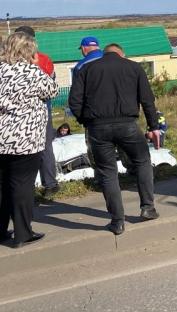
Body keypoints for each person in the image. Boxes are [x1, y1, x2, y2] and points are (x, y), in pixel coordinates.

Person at [68, 42, 160, 235]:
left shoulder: (87, 69)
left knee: (107, 172)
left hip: (97, 127)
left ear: (105, 53)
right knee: (142, 161)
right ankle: (147, 208)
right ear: (121, 54)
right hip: (127, 125)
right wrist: (154, 127)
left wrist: (85, 121)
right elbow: (147, 100)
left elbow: (74, 101)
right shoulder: (134, 67)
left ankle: (117, 222)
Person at [0, 31, 59, 248]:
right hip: (25, 138)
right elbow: (52, 91)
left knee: (3, 186)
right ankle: (23, 233)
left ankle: (0, 230)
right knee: (22, 185)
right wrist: (36, 65)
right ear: (29, 50)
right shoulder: (32, 72)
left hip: (1, 137)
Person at [14, 26, 60, 198]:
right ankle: (49, 185)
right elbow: (52, 86)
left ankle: (24, 189)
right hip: (42, 109)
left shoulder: (8, 62)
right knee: (45, 146)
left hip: (16, 112)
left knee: (18, 151)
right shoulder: (44, 60)